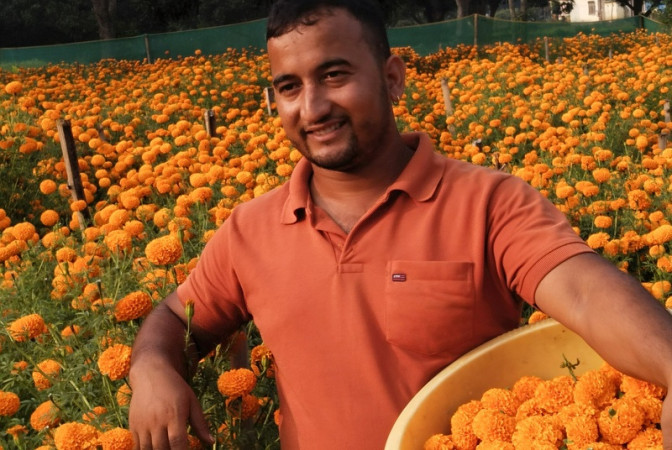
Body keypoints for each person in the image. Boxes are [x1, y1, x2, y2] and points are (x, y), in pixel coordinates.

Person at [128, 0, 672, 448]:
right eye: (289, 87)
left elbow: (582, 292)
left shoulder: (489, 203)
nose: (312, 107)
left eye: (333, 75)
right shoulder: (250, 230)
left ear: (392, 79)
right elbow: (176, 318)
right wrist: (151, 368)